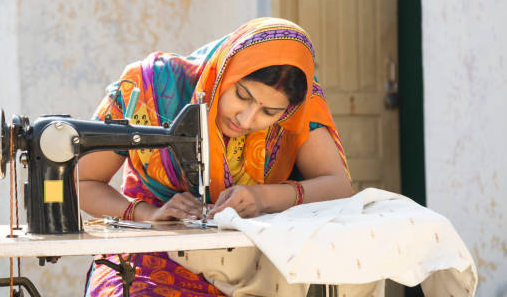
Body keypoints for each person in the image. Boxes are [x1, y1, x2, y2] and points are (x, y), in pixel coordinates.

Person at [80, 17, 353, 296]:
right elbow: (83, 182)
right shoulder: (150, 87)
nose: (246, 119)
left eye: (269, 113)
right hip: (149, 247)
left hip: (245, 262)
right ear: (226, 72)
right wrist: (150, 214)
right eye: (241, 95)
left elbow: (338, 186)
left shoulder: (301, 108)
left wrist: (263, 197)